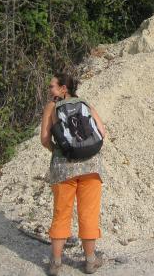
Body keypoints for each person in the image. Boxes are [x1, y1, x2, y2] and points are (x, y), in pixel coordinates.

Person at [40, 73, 107, 275]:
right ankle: (90, 261)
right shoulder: (85, 104)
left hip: (63, 169)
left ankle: (56, 263)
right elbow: (102, 133)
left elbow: (44, 139)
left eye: (52, 86)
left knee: (62, 213)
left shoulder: (51, 108)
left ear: (63, 89)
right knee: (88, 213)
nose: (49, 89)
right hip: (91, 167)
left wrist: (60, 151)